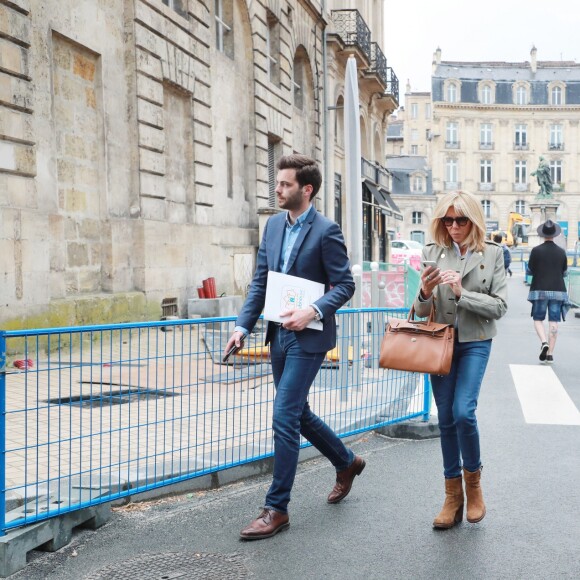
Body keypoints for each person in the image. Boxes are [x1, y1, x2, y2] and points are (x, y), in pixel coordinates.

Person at [225, 154, 364, 541]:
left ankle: (277, 508)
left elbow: (345, 285)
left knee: (284, 416)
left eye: (284, 184)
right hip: (278, 334)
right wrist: (241, 327)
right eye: (278, 183)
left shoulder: (326, 231)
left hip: (309, 335)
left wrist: (312, 310)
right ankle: (346, 461)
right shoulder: (272, 226)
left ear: (306, 189)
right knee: (298, 413)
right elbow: (260, 282)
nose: (277, 188)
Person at [415, 190, 508, 529]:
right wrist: (424, 293)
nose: (453, 226)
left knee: (463, 412)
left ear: (473, 221)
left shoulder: (492, 254)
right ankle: (452, 496)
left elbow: (499, 307)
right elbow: (422, 310)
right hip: (440, 341)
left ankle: (475, 486)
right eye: (448, 220)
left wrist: (461, 293)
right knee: (446, 420)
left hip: (475, 341)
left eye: (461, 220)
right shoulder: (431, 253)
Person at [526, 219, 570, 364]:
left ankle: (544, 342)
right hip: (558, 290)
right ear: (554, 234)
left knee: (538, 319)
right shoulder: (561, 252)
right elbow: (564, 272)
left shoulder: (536, 250)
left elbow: (530, 270)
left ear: (542, 234)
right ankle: (550, 353)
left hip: (539, 290)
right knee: (554, 321)